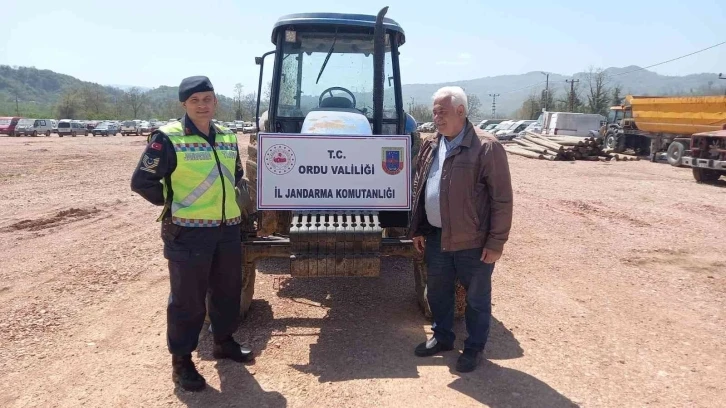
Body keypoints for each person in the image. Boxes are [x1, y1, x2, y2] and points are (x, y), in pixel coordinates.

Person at [130, 76, 252, 392]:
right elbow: (142, 182)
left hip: (227, 230)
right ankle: (182, 363)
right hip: (188, 233)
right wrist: (175, 203)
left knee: (227, 292)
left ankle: (223, 342)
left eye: (207, 99)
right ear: (184, 104)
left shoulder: (227, 137)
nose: (202, 105)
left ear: (215, 102)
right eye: (195, 100)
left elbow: (236, 176)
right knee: (188, 301)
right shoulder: (166, 139)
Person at [409, 86, 513, 372]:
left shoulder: (487, 147)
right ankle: (442, 338)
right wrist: (418, 227)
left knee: (477, 299)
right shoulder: (431, 144)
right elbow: (420, 187)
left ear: (461, 111)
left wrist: (496, 243)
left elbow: (502, 199)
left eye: (442, 112)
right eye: (434, 112)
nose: (437, 118)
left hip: (473, 242)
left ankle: (474, 348)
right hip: (437, 236)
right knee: (438, 293)